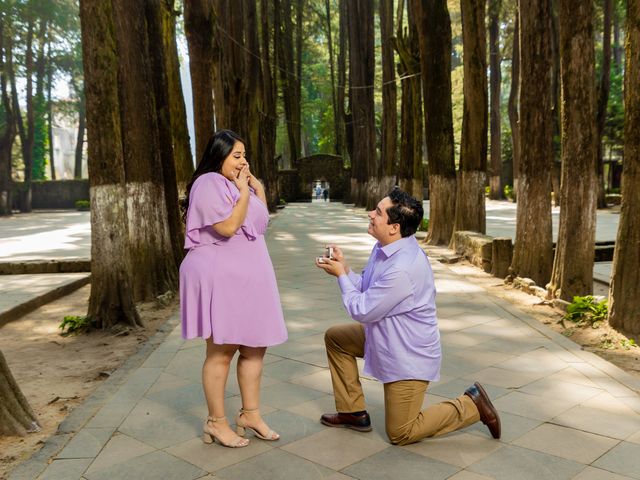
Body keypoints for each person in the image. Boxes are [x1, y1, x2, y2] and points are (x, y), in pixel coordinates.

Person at [315, 188, 500, 445]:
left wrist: (341, 277)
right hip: (384, 337)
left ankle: (472, 405)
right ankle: (352, 412)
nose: (371, 214)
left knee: (401, 433)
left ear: (394, 227)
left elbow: (363, 310)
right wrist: (345, 270)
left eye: (378, 212)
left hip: (406, 355)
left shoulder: (403, 268)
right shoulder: (386, 248)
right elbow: (372, 291)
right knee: (336, 338)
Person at [180, 129, 287, 448]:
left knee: (255, 346)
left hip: (249, 274)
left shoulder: (239, 185)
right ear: (219, 156)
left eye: (244, 155)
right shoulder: (208, 183)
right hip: (220, 274)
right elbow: (227, 227)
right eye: (237, 155)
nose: (243, 161)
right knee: (222, 350)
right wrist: (243, 192)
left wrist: (257, 188)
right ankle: (216, 422)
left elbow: (261, 223)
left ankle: (250, 415)